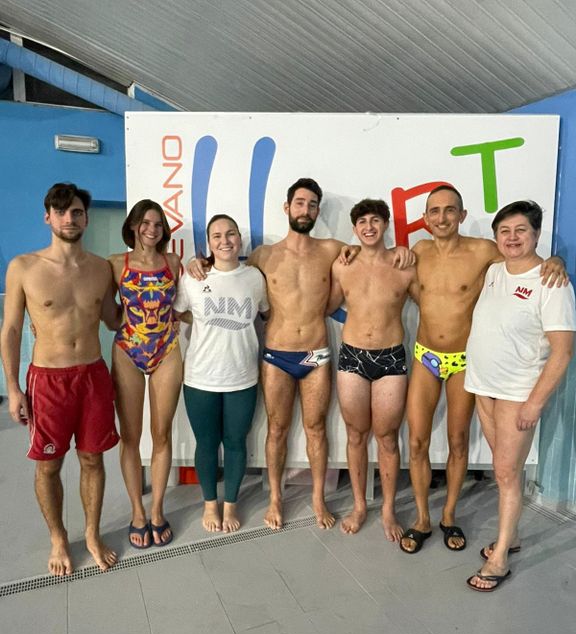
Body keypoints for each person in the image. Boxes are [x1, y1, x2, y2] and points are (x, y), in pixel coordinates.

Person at [189, 178, 413, 530]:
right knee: (277, 429)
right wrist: (196, 261)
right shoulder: (264, 255)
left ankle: (318, 499)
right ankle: (275, 499)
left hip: (315, 355)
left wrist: (401, 250)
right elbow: (226, 270)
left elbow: (372, 248)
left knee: (316, 429)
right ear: (287, 207)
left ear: (318, 211)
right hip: (277, 354)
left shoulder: (333, 249)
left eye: (311, 204)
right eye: (299, 203)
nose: (305, 209)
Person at [400, 185, 567, 555]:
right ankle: (422, 518)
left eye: (450, 210)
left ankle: (448, 515)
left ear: (462, 215)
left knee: (458, 440)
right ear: (425, 218)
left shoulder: (483, 251)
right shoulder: (419, 251)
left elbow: (524, 260)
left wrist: (557, 260)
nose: (442, 217)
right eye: (434, 211)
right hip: (426, 356)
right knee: (416, 441)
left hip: (464, 360)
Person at [0, 182, 120, 576]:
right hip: (48, 380)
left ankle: (92, 534)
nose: (70, 218)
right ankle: (57, 537)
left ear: (86, 219)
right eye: (62, 211)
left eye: (77, 212)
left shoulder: (101, 268)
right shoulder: (24, 267)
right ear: (48, 217)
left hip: (93, 375)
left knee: (93, 459)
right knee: (49, 465)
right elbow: (10, 329)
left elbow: (113, 319)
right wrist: (13, 388)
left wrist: (160, 298)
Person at [464, 200, 575, 591]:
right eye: (505, 231)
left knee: (507, 473)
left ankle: (498, 559)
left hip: (516, 393)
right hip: (483, 386)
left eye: (521, 230)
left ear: (536, 234)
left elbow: (563, 351)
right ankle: (510, 537)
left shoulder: (552, 283)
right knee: (503, 469)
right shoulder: (495, 270)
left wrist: (535, 403)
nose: (512, 238)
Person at [328, 199, 417, 540]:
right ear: (354, 229)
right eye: (362, 221)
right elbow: (328, 305)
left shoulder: (403, 265)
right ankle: (359, 505)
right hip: (352, 356)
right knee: (355, 435)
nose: (369, 226)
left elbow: (435, 301)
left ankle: (388, 509)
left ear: (385, 225)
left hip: (390, 358)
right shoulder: (343, 265)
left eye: (375, 220)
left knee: (387, 437)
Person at [174, 214, 269, 532]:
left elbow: (266, 313)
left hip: (242, 376)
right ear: (209, 243)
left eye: (230, 234)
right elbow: (180, 313)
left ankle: (230, 505)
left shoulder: (254, 278)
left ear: (239, 239)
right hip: (201, 376)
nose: (225, 241)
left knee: (236, 442)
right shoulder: (193, 278)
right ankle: (209, 504)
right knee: (206, 442)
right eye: (217, 236)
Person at [109, 200, 182, 549]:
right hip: (128, 350)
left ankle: (157, 510)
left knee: (162, 433)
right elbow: (103, 310)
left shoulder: (174, 262)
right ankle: (137, 513)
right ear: (133, 226)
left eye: (158, 224)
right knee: (131, 436)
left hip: (167, 350)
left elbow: (186, 303)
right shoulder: (115, 264)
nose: (152, 230)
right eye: (146, 223)